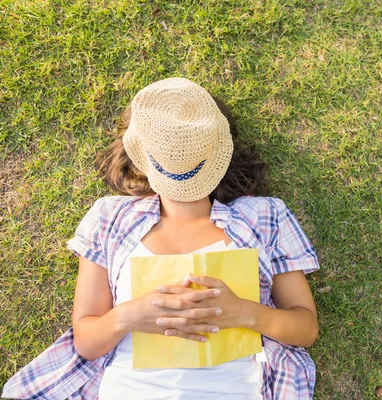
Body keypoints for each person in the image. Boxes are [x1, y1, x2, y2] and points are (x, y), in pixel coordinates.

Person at [3, 77, 320, 399]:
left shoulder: (264, 216)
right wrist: (128, 316)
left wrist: (245, 312)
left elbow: (305, 329)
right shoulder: (109, 218)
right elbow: (86, 343)